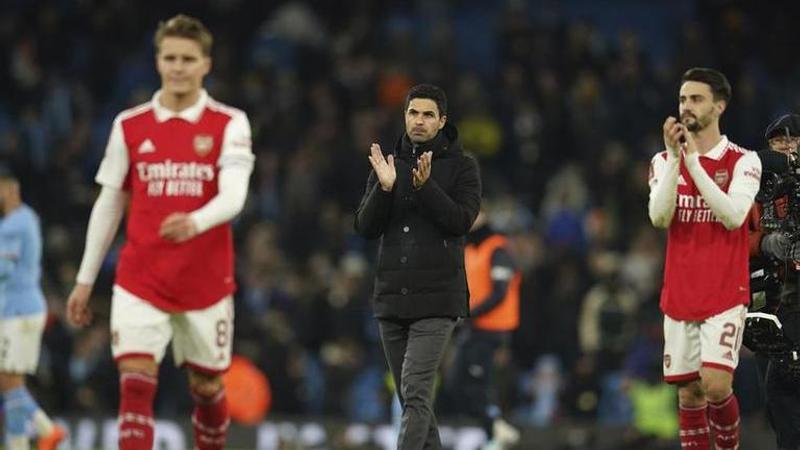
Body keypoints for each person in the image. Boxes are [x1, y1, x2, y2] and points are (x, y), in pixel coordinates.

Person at [65, 14, 254, 450]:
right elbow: (109, 202)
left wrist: (195, 222)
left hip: (205, 282)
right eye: (170, 57)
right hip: (141, 277)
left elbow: (234, 197)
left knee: (206, 387)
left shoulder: (230, 124)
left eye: (188, 58)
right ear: (157, 61)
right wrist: (84, 278)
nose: (178, 66)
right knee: (134, 383)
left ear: (206, 64)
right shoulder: (129, 125)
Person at [355, 83, 481, 449]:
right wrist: (384, 188)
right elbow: (364, 228)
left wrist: (426, 188)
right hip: (392, 300)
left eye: (428, 115)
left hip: (438, 302)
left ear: (442, 121)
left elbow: (461, 221)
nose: (419, 121)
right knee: (413, 401)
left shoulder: (462, 168)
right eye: (413, 113)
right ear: (404, 116)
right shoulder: (388, 165)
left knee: (413, 391)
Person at [647, 67, 761, 450]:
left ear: (719, 105)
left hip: (725, 291)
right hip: (680, 292)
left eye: (696, 99)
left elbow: (732, 217)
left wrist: (693, 163)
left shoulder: (743, 161)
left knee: (715, 384)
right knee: (689, 395)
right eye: (682, 99)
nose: (686, 107)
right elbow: (659, 217)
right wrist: (679, 160)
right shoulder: (663, 162)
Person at [0, 165, 66, 450]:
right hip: (23, 310)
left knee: (9, 381)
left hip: (19, 312)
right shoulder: (28, 218)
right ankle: (24, 442)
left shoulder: (14, 223)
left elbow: (3, 267)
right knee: (12, 382)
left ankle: (46, 429)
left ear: (10, 189)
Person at [444, 207, 521, 450]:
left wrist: (468, 313)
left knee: (479, 383)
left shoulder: (498, 249)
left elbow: (500, 293)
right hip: (473, 328)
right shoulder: (469, 250)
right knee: (457, 383)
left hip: (492, 331)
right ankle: (495, 427)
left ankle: (495, 434)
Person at [747, 113, 800, 449]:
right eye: (777, 142)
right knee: (775, 399)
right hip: (768, 298)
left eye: (792, 139)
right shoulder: (754, 188)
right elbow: (733, 237)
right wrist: (765, 243)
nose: (785, 147)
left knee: (784, 385)